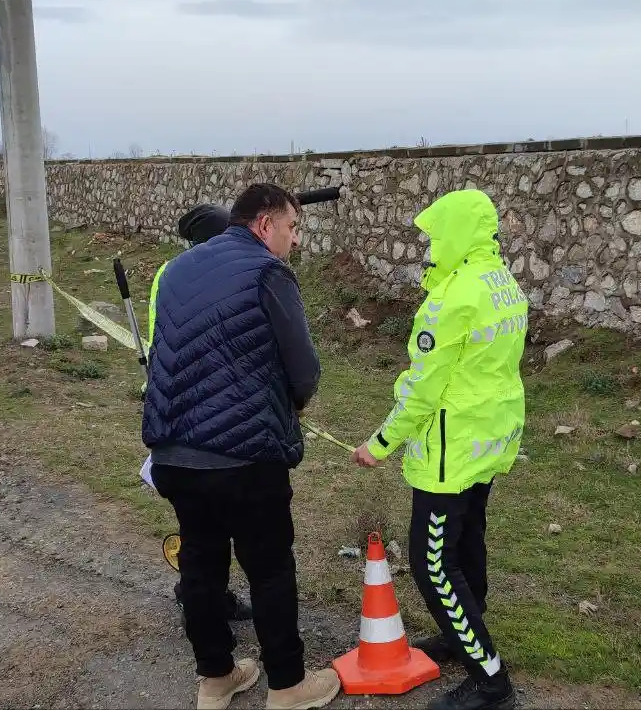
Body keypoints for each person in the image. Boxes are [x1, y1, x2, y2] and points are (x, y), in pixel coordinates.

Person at [144, 182, 341, 710]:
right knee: (270, 565)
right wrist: (294, 406)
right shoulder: (268, 272)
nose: (295, 240)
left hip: (175, 453)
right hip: (245, 457)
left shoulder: (176, 270)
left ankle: (216, 677)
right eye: (292, 227)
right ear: (263, 225)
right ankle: (288, 685)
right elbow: (304, 367)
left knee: (201, 563)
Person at [352, 188, 527, 710]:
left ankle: (490, 680)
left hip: (450, 452)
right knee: (468, 540)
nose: (428, 245)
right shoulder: (502, 283)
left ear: (456, 233)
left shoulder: (451, 299)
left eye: (433, 235)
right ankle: (460, 637)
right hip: (488, 440)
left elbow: (424, 388)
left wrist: (381, 443)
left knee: (433, 566)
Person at [146, 202, 254, 623]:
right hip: (200, 410)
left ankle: (200, 594)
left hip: (174, 409)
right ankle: (205, 597)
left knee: (202, 521)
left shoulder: (173, 272)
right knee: (212, 518)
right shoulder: (202, 276)